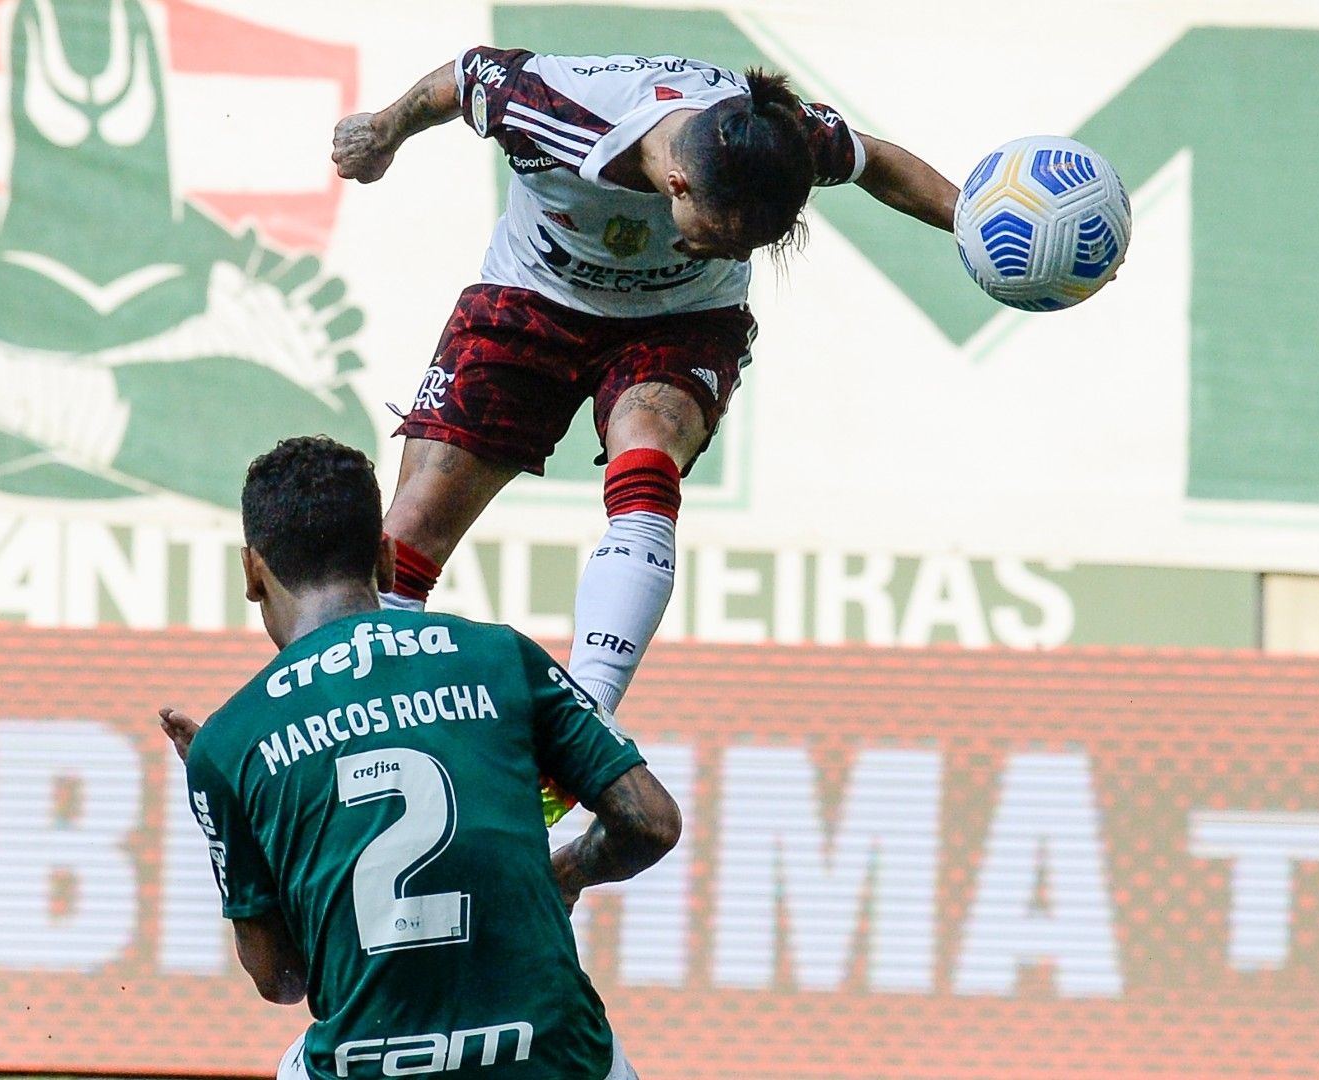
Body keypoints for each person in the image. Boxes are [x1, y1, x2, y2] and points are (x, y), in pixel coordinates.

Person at [331, 48, 958, 806]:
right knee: (414, 525)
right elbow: (459, 79)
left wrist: (976, 222)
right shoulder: (551, 109)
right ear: (675, 185)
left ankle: (585, 717)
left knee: (649, 442)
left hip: (683, 321)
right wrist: (384, 131)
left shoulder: (783, 136)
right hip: (530, 294)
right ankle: (353, 731)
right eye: (724, 237)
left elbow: (879, 162)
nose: (736, 252)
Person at [158, 435, 681, 1080]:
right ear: (384, 559)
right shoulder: (499, 656)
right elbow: (651, 822)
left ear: (251, 572)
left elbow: (282, 980)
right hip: (555, 1061)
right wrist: (565, 872)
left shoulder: (231, 743)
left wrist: (235, 798)